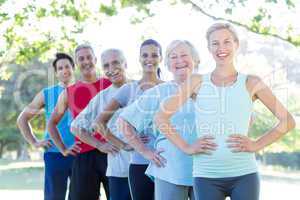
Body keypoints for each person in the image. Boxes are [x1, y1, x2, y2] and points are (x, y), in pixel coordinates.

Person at [155, 22, 296, 200]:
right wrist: (187, 147)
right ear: (209, 48)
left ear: (236, 44)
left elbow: (288, 121)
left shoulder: (251, 82)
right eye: (215, 43)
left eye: (227, 42)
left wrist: (256, 144)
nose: (221, 48)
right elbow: (161, 117)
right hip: (206, 176)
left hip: (244, 174)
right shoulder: (196, 81)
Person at [118, 40, 202, 200]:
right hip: (170, 170)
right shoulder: (158, 92)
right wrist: (145, 151)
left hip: (205, 170)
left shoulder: (210, 88)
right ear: (168, 65)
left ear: (195, 60)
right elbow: (123, 122)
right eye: (173, 57)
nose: (179, 60)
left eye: (184, 55)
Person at [92, 39, 163, 200]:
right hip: (139, 164)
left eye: (154, 55)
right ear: (139, 58)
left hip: (166, 163)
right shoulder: (129, 89)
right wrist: (124, 145)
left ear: (161, 58)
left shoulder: (170, 87)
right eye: (145, 55)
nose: (149, 59)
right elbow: (98, 123)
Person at [48, 44, 114, 200]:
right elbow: (51, 124)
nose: (86, 61)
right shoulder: (68, 92)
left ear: (95, 59)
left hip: (112, 151)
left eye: (89, 57)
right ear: (76, 63)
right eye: (81, 59)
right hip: (84, 156)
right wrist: (63, 149)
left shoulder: (111, 85)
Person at [70, 48, 132, 200]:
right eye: (106, 66)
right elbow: (75, 127)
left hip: (147, 169)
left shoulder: (141, 89)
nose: (111, 69)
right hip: (119, 170)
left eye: (116, 63)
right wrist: (99, 145)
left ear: (125, 63)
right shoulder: (102, 97)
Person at [17, 53, 76, 200]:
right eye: (60, 68)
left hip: (79, 154)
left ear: (73, 68)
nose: (64, 70)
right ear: (56, 73)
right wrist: (35, 142)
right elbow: (22, 119)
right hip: (54, 154)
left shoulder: (83, 90)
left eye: (67, 66)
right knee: (54, 197)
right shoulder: (47, 94)